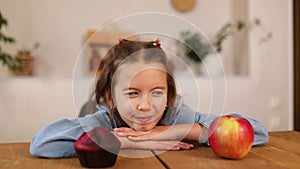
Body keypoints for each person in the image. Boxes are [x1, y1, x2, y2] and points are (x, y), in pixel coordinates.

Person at [30, 39, 268, 158]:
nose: (146, 106)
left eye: (157, 92)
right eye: (133, 93)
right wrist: (129, 142)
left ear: (169, 94)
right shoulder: (104, 121)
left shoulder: (175, 114)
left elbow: (258, 132)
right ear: (110, 98)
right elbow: (42, 144)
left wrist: (179, 131)